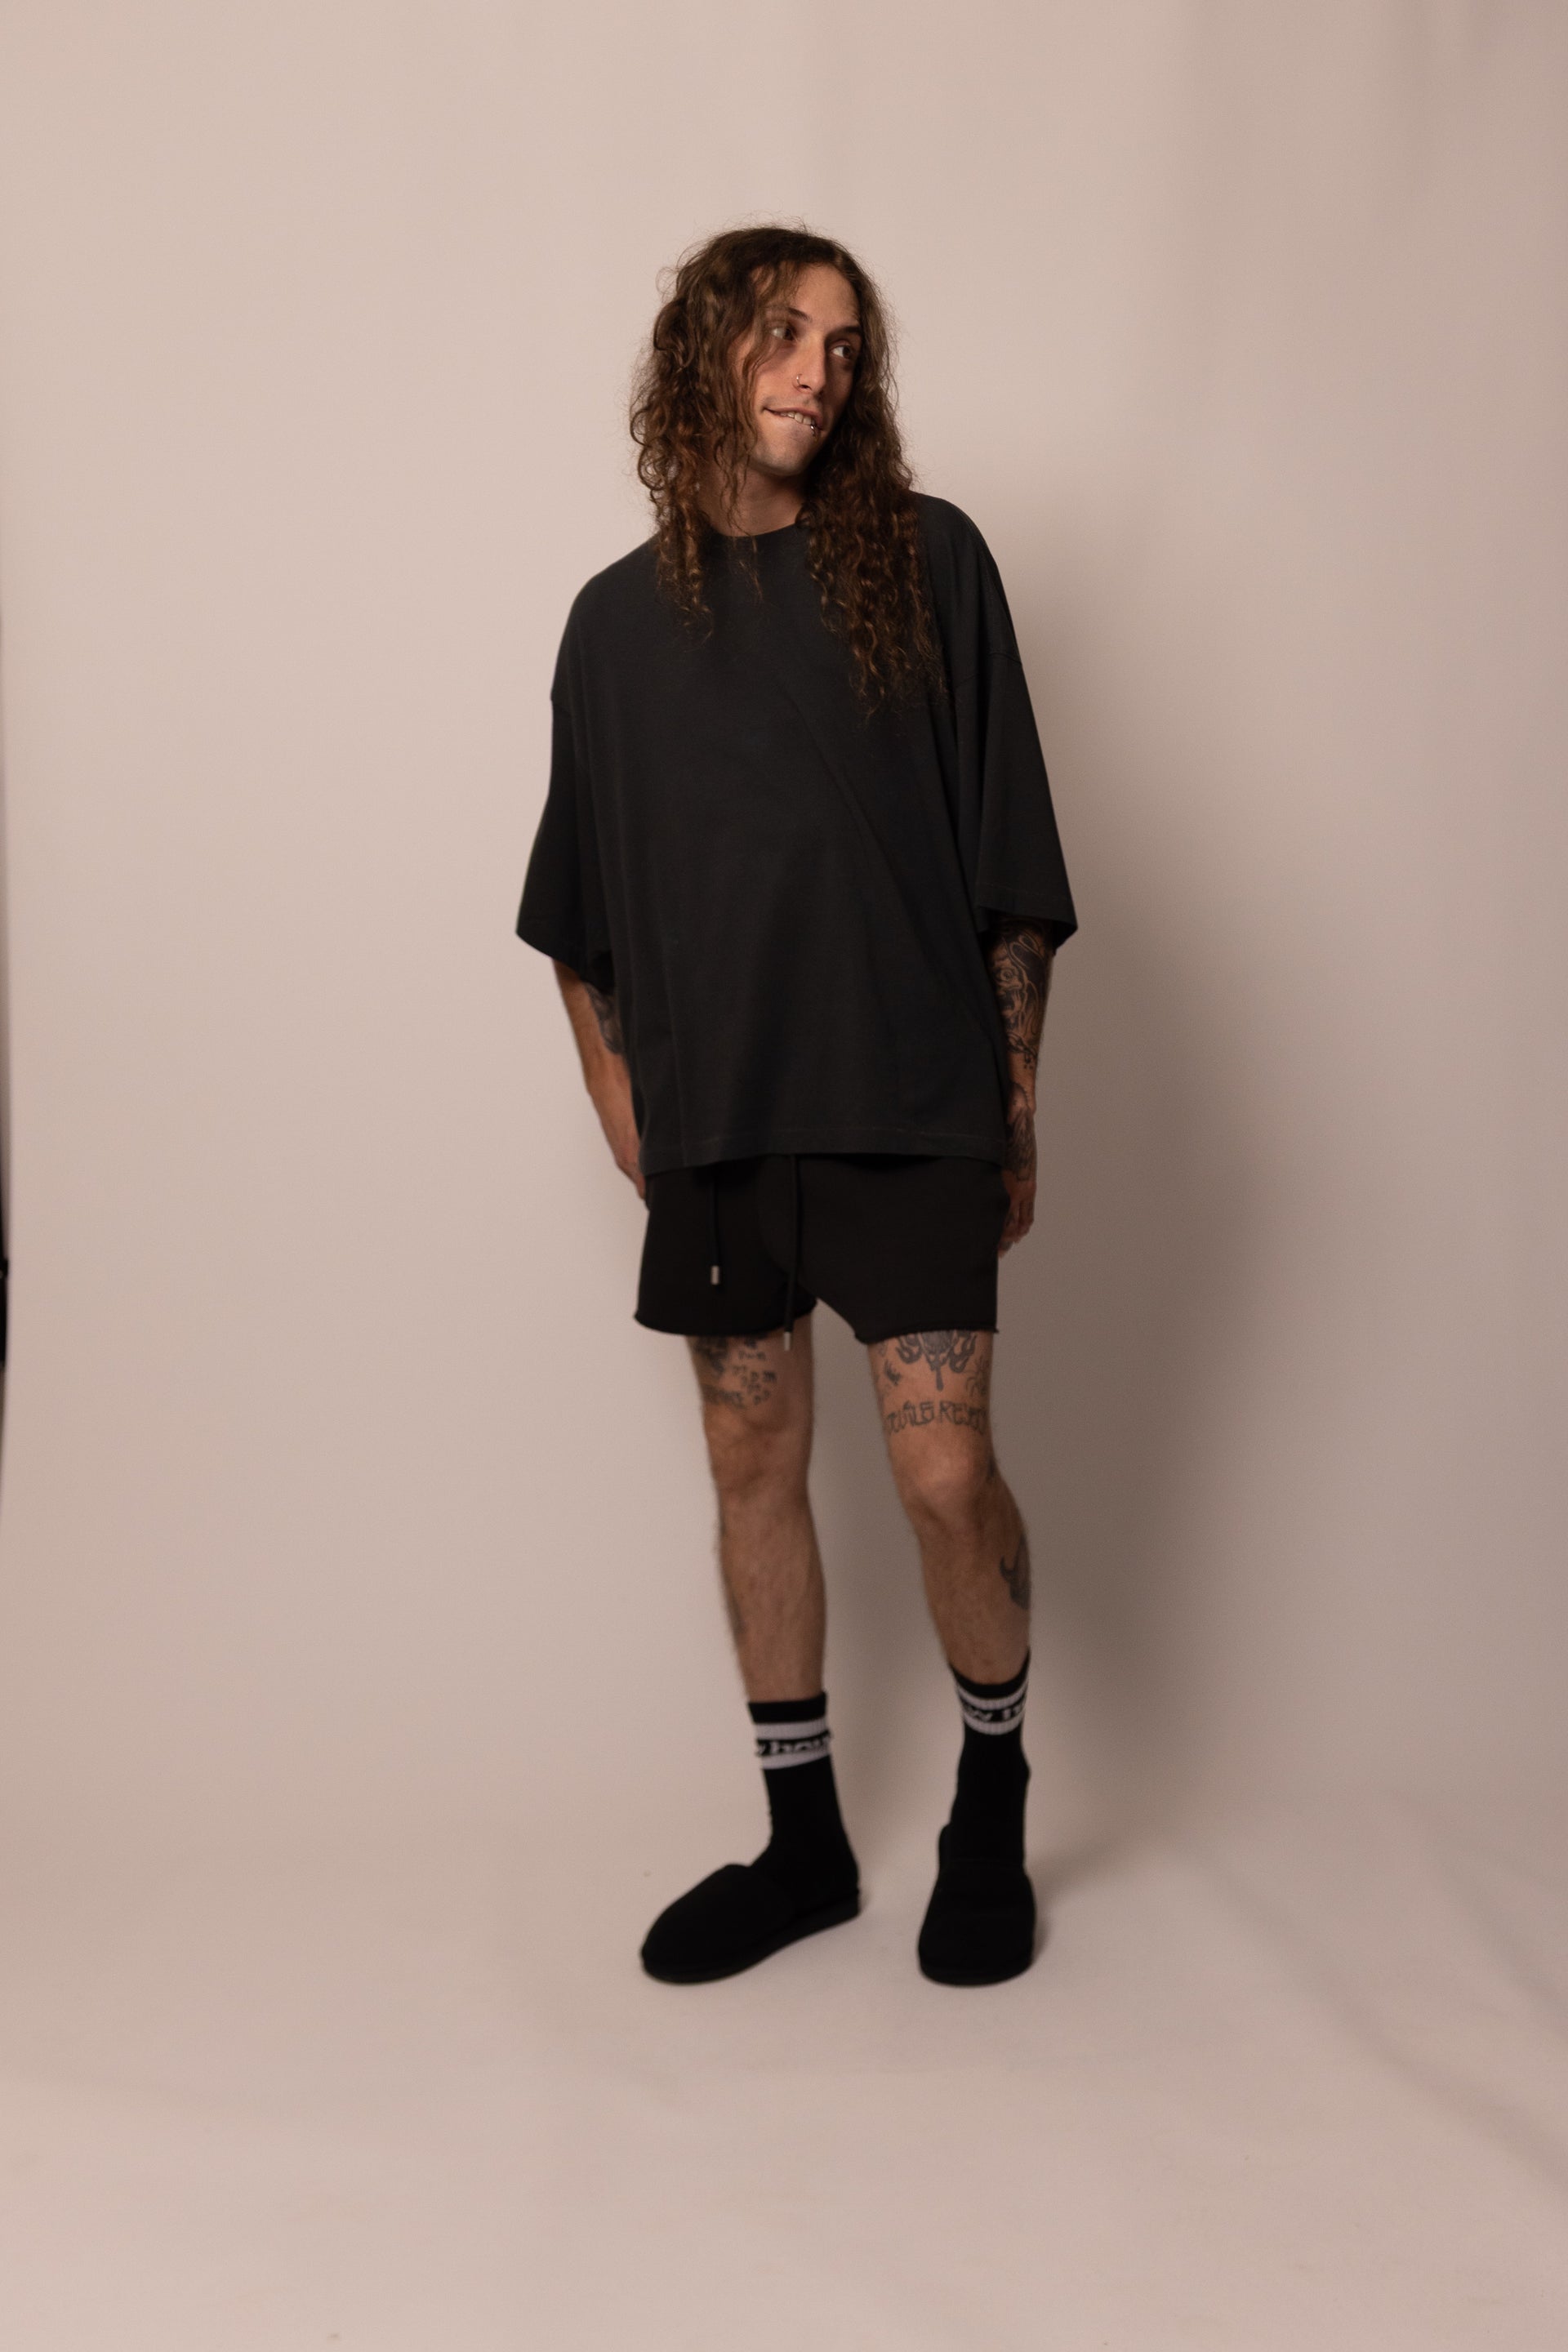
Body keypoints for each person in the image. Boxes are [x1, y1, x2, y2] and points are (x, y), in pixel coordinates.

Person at [515, 224, 1077, 1987]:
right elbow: (573, 910)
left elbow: (1008, 855)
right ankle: (805, 1845)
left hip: (911, 1092)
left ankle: (991, 1800)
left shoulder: (928, 561)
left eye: (844, 346)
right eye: (782, 333)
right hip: (720, 1121)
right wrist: (615, 1088)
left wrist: (1016, 1091)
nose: (818, 372)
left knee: (942, 1471)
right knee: (751, 1462)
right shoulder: (611, 628)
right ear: (704, 350)